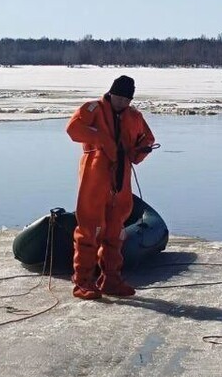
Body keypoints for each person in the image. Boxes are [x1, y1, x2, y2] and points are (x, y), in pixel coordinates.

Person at [66, 75, 156, 301]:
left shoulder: (134, 116)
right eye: (119, 97)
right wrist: (101, 139)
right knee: (90, 229)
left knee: (115, 232)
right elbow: (73, 128)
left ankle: (111, 279)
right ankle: (83, 281)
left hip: (120, 179)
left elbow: (146, 138)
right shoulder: (93, 108)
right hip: (94, 178)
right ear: (111, 93)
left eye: (127, 99)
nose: (122, 103)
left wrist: (141, 151)